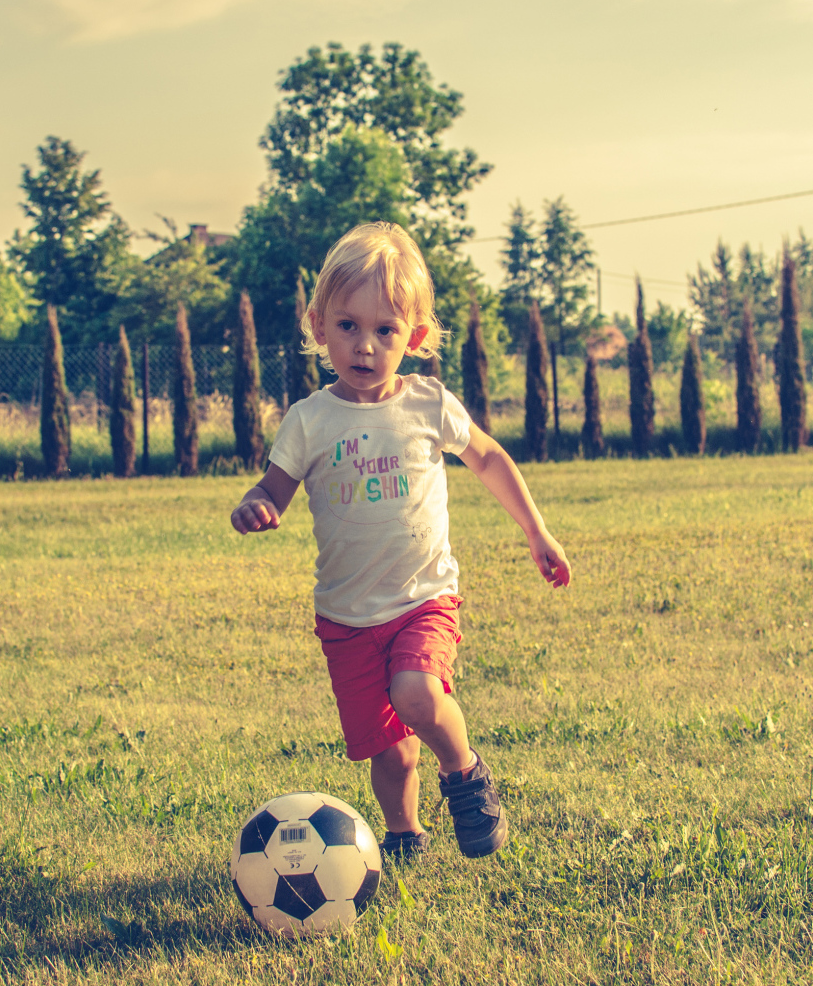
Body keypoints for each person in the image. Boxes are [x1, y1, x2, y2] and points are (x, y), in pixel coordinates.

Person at [230, 222, 571, 860]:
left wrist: (536, 530)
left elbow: (490, 459)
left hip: (422, 597)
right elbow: (273, 489)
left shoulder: (427, 404)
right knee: (386, 746)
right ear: (318, 324)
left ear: (412, 337)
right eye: (347, 326)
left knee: (416, 693)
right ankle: (405, 835)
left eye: (385, 330)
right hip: (346, 615)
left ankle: (465, 774)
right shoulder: (308, 421)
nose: (364, 346)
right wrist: (256, 506)